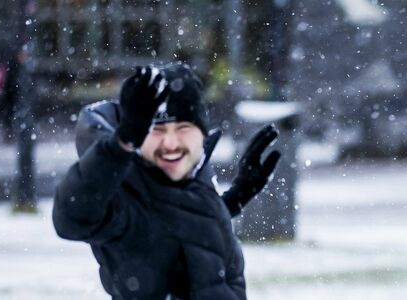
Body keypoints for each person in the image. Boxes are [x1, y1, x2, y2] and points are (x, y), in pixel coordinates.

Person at [53, 64, 281, 299]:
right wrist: (120, 145)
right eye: (158, 130)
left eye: (183, 128)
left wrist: (233, 200)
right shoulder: (123, 197)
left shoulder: (198, 187)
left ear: (201, 134)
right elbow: (72, 217)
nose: (171, 143)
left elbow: (180, 224)